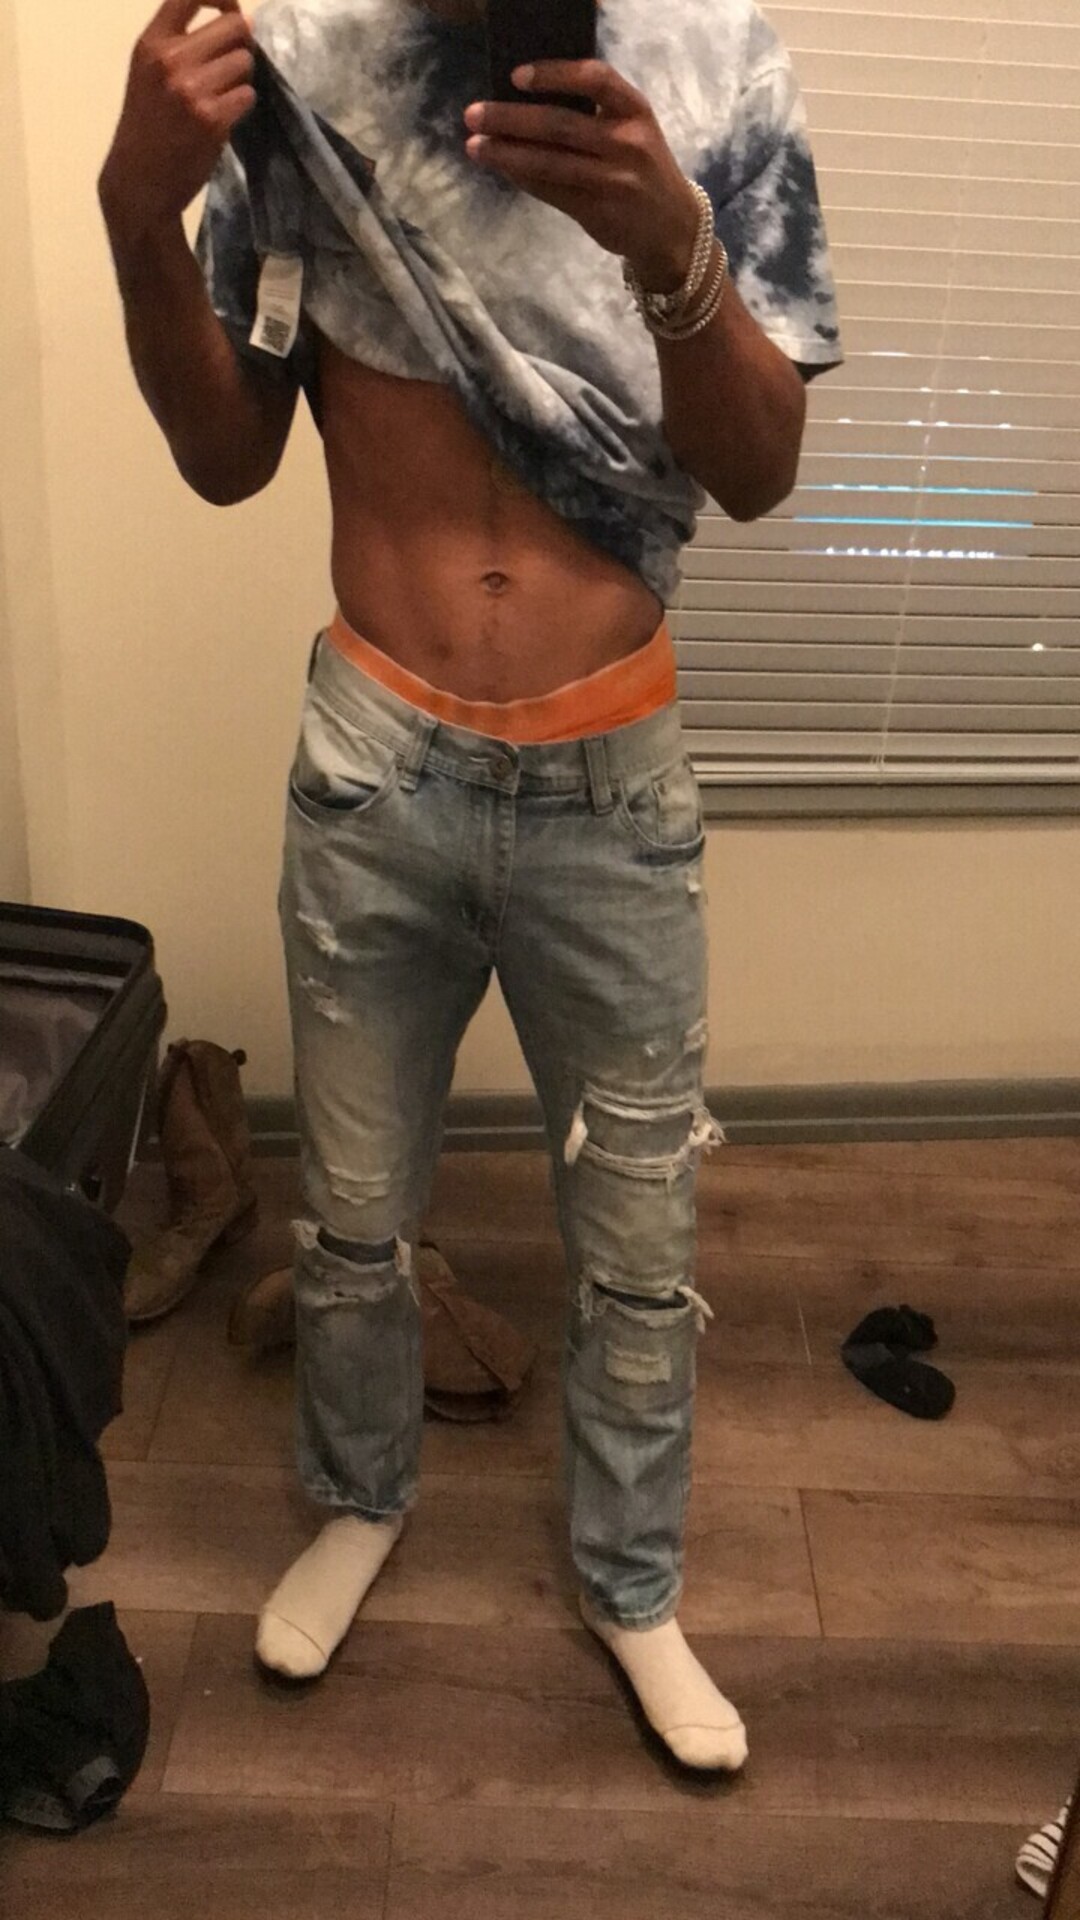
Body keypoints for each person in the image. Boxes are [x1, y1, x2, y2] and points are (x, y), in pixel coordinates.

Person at [99, 0, 843, 1770]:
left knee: (641, 1246)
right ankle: (358, 1499)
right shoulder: (304, 59)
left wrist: (675, 254)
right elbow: (226, 458)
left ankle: (633, 1582)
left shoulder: (721, 63)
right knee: (355, 1217)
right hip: (380, 765)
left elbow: (756, 473)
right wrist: (137, 213)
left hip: (614, 779)